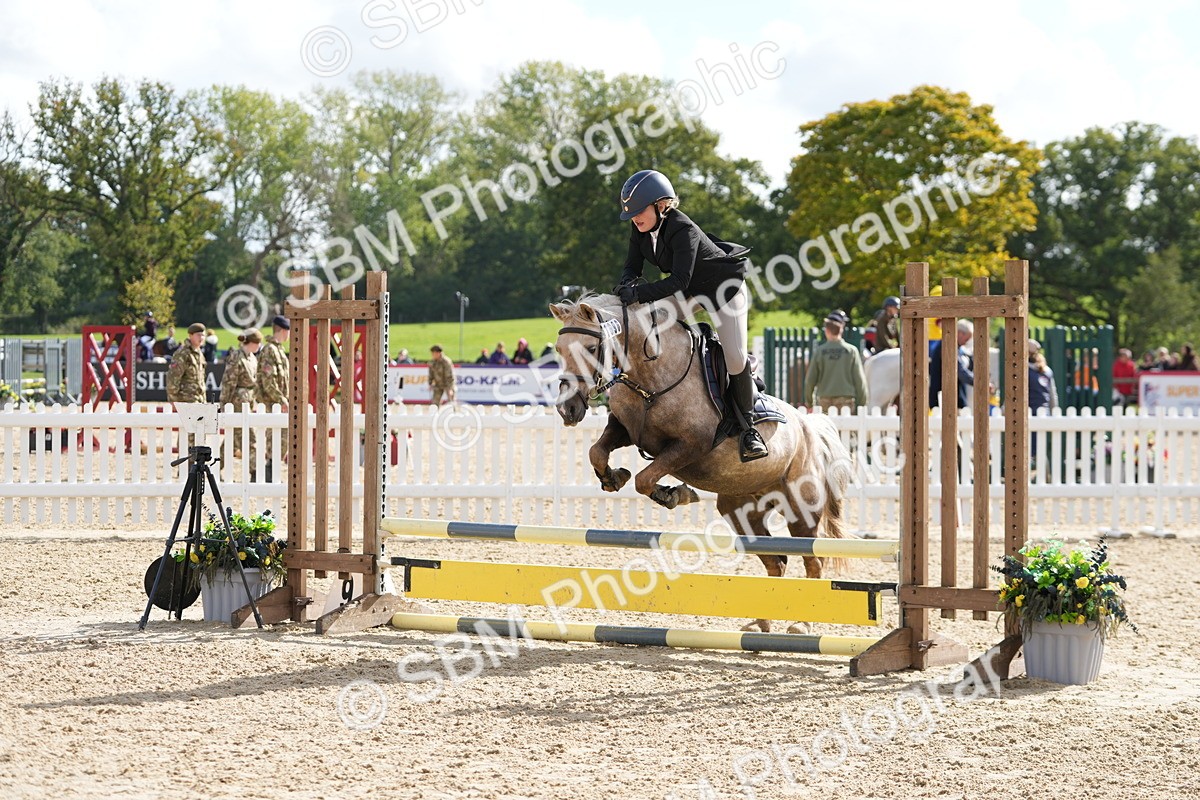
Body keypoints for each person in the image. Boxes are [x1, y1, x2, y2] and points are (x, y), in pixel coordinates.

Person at [614, 168, 765, 461]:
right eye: (630, 213)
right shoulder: (640, 229)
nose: (634, 218)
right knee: (648, 320)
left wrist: (639, 293)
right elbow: (632, 266)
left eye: (639, 211)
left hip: (724, 290)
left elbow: (678, 280)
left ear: (661, 205)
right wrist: (626, 284)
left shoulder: (682, 229)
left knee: (735, 358)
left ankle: (749, 430)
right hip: (693, 291)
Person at [803, 311, 867, 414]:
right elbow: (860, 380)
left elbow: (810, 380)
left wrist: (809, 403)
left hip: (824, 399)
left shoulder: (820, 351)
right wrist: (862, 404)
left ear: (827, 331)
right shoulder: (851, 351)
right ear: (841, 330)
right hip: (846, 399)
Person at [220, 328, 262, 475]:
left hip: (248, 400)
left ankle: (215, 467)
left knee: (232, 439)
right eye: (257, 342)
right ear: (251, 342)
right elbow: (229, 382)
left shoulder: (252, 358)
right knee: (249, 437)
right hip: (237, 402)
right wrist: (224, 403)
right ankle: (255, 470)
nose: (259, 346)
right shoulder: (237, 357)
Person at [256, 316, 291, 478]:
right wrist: (281, 399)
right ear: (283, 330)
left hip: (280, 402)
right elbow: (267, 380)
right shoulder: (270, 350)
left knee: (282, 440)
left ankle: (271, 473)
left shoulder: (279, 350)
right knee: (275, 440)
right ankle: (268, 475)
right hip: (273, 403)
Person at [928, 319, 974, 410]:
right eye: (966, 339)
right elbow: (960, 371)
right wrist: (979, 382)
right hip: (944, 399)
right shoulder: (947, 346)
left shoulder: (956, 347)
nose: (966, 342)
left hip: (952, 398)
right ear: (960, 333)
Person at [165, 323, 208, 405]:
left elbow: (201, 380)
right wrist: (173, 401)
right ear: (190, 335)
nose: (201, 338)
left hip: (199, 400)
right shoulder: (183, 354)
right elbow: (173, 378)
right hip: (185, 400)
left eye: (203, 335)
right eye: (198, 335)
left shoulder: (199, 354)